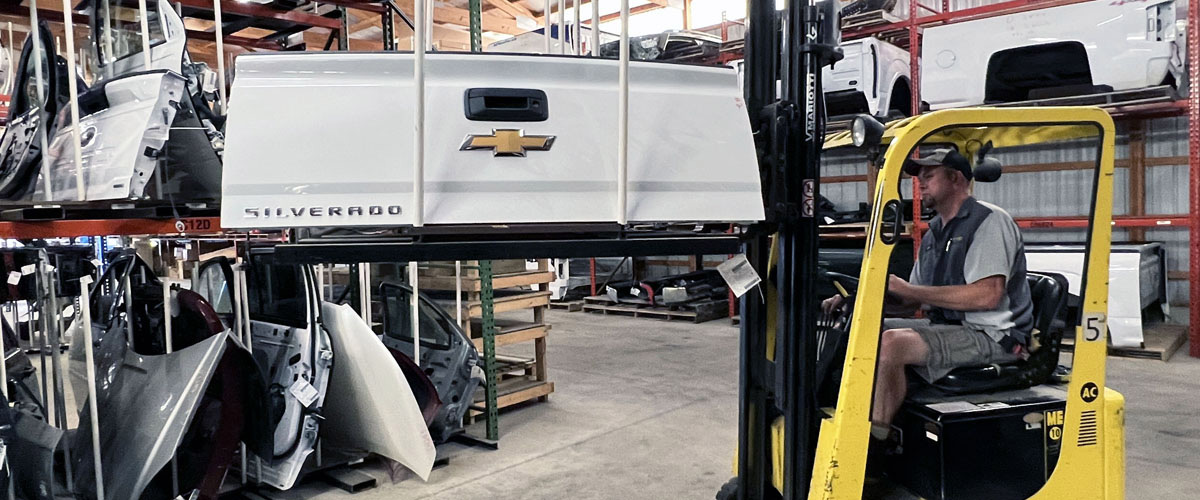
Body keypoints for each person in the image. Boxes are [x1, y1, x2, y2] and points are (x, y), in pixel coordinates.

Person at [823, 148, 1033, 449]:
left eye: (929, 175)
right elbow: (912, 303)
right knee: (860, 326)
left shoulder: (988, 221)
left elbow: (987, 295)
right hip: (949, 328)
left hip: (993, 335)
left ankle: (872, 447)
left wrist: (908, 290)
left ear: (956, 179)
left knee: (892, 343)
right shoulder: (936, 232)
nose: (920, 183)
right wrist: (857, 301)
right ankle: (852, 416)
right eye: (919, 177)